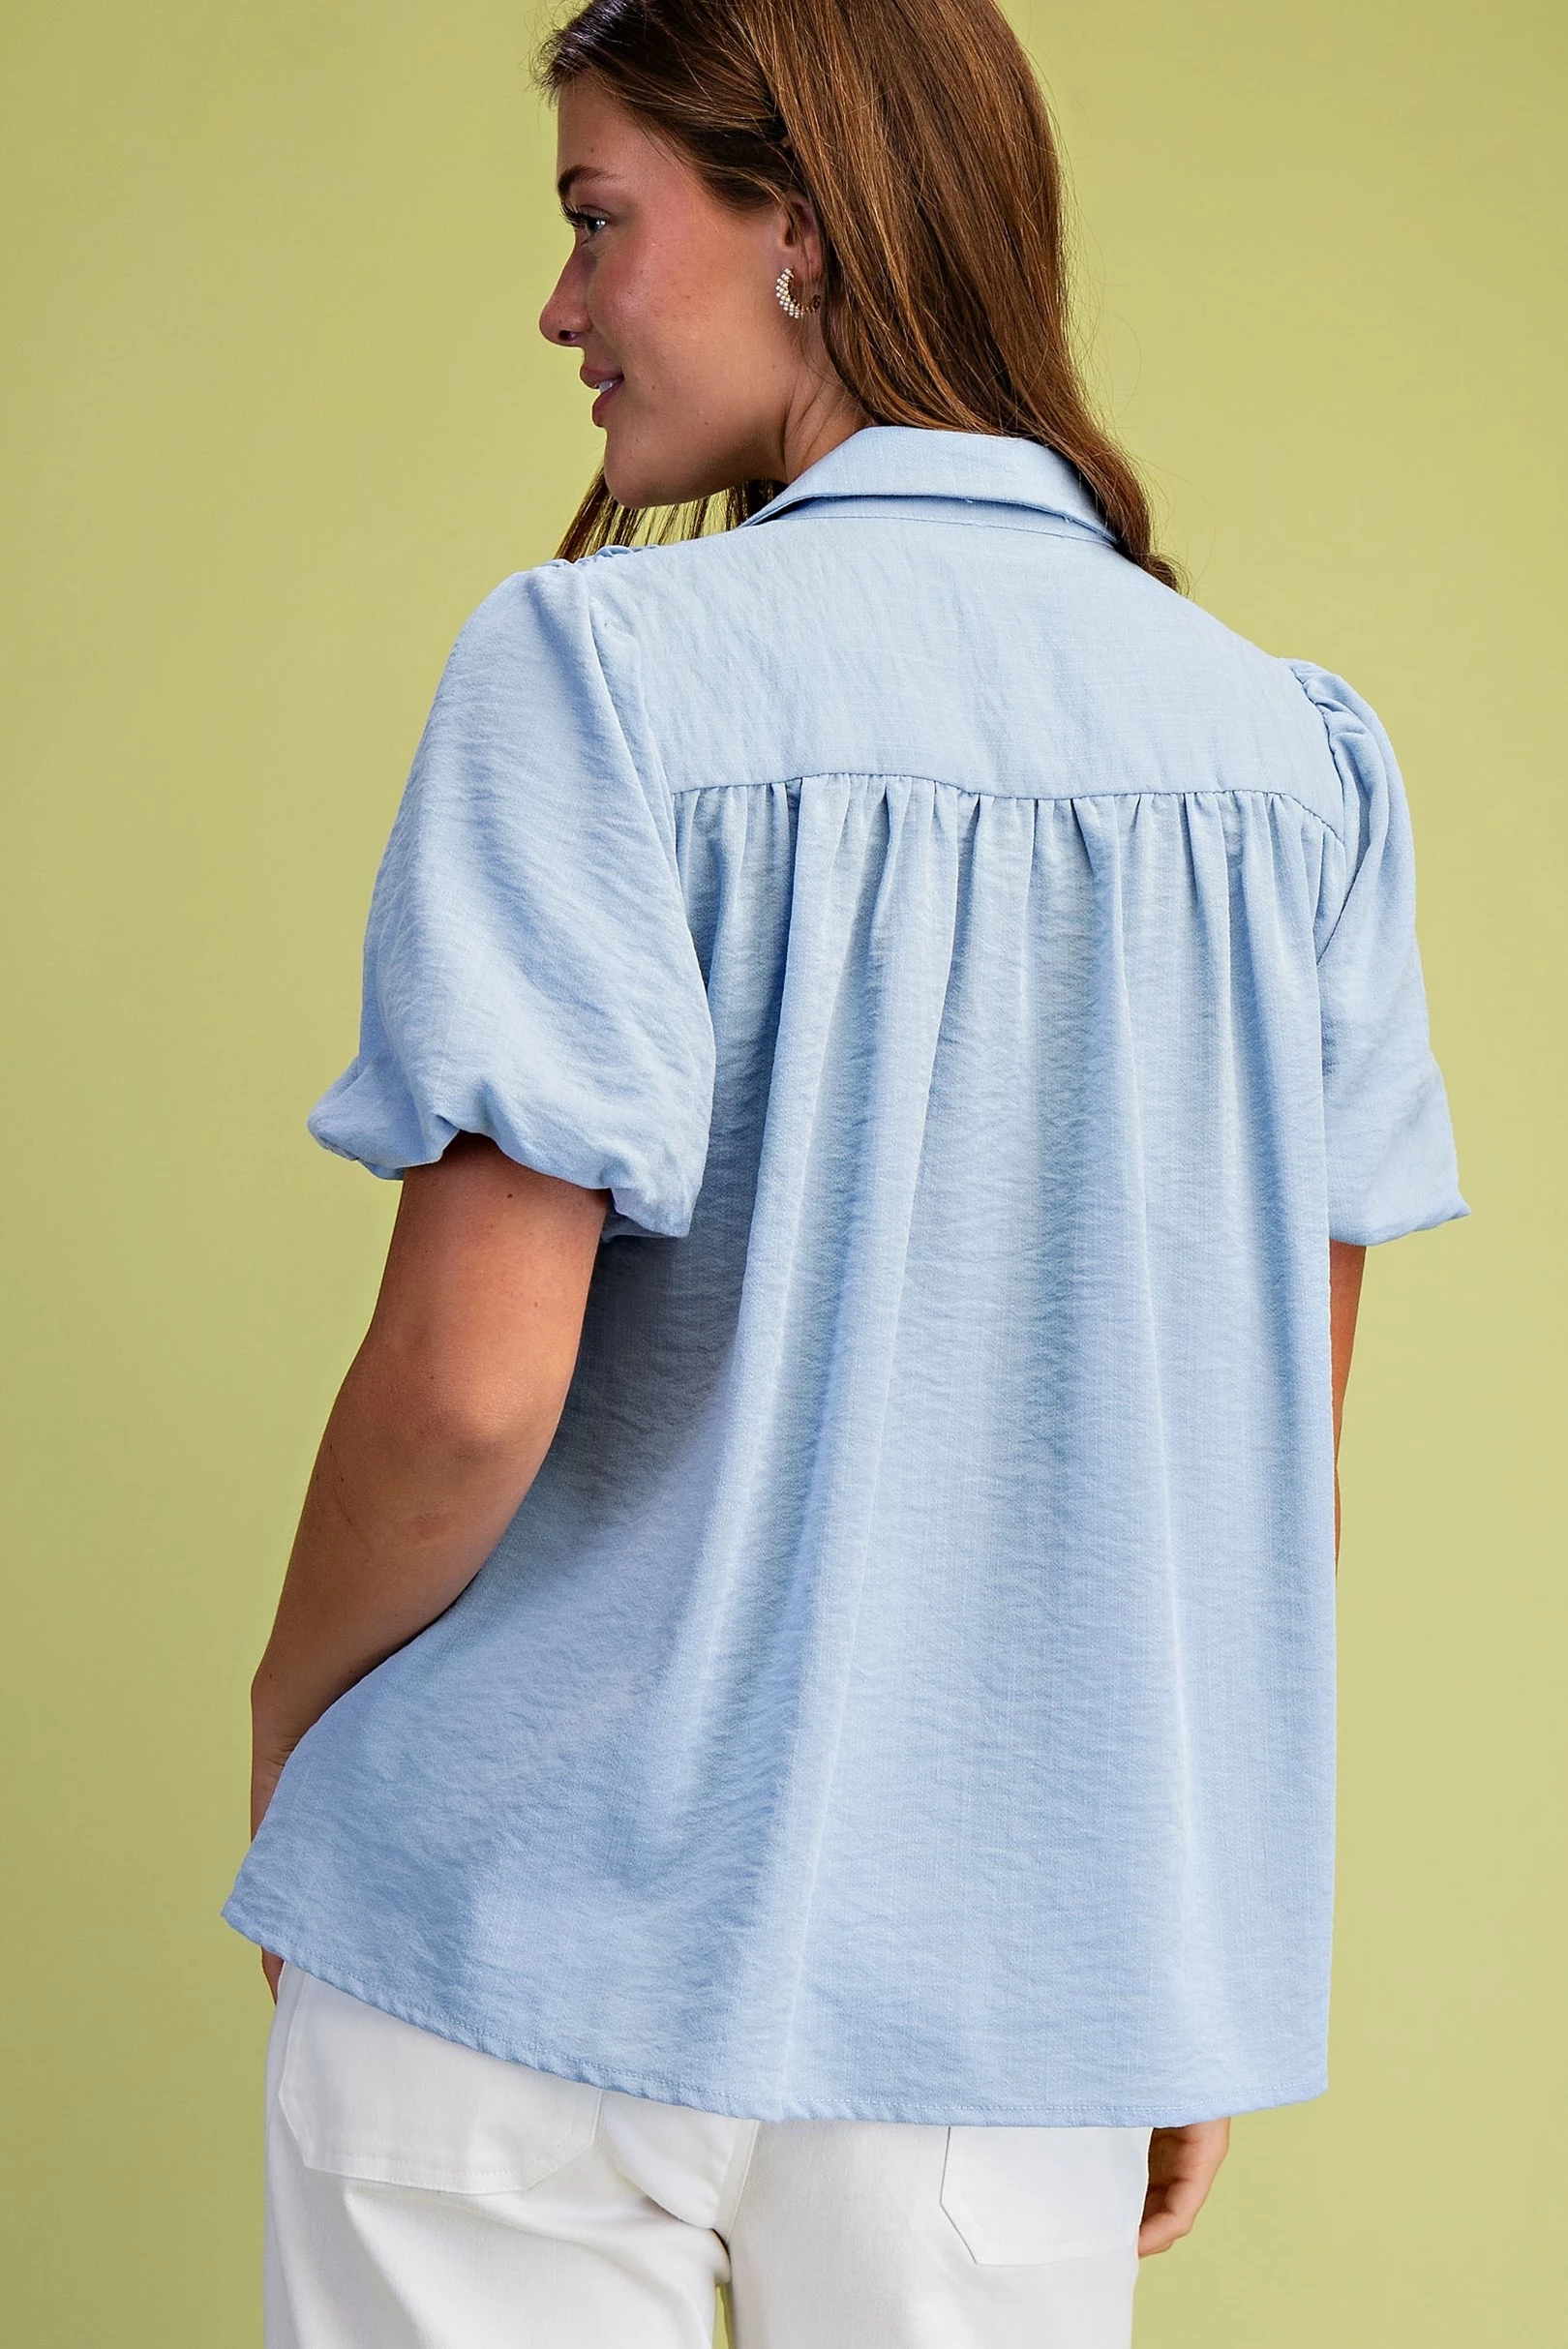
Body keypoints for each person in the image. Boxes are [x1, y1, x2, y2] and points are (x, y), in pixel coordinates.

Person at [223, 1, 1467, 2342]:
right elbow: (1266, 1452)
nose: (563, 307)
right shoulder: (1294, 767)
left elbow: (473, 1381)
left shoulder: (596, 675)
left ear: (798, 226)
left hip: (510, 1937)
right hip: (1010, 1998)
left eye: (599, 220)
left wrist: (296, 1724)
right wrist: (1177, 1951)